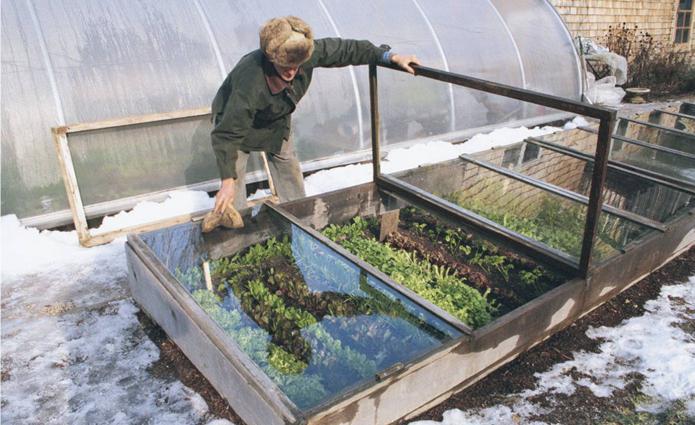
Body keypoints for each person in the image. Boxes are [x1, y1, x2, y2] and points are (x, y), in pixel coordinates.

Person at [210, 16, 419, 214]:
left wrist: (389, 57)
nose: (292, 72)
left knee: (288, 168)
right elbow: (228, 134)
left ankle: (299, 219)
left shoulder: (303, 52)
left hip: (275, 119)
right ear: (272, 58)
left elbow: (348, 50)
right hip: (235, 125)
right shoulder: (250, 80)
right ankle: (236, 234)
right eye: (285, 66)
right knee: (233, 185)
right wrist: (227, 181)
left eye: (296, 66)